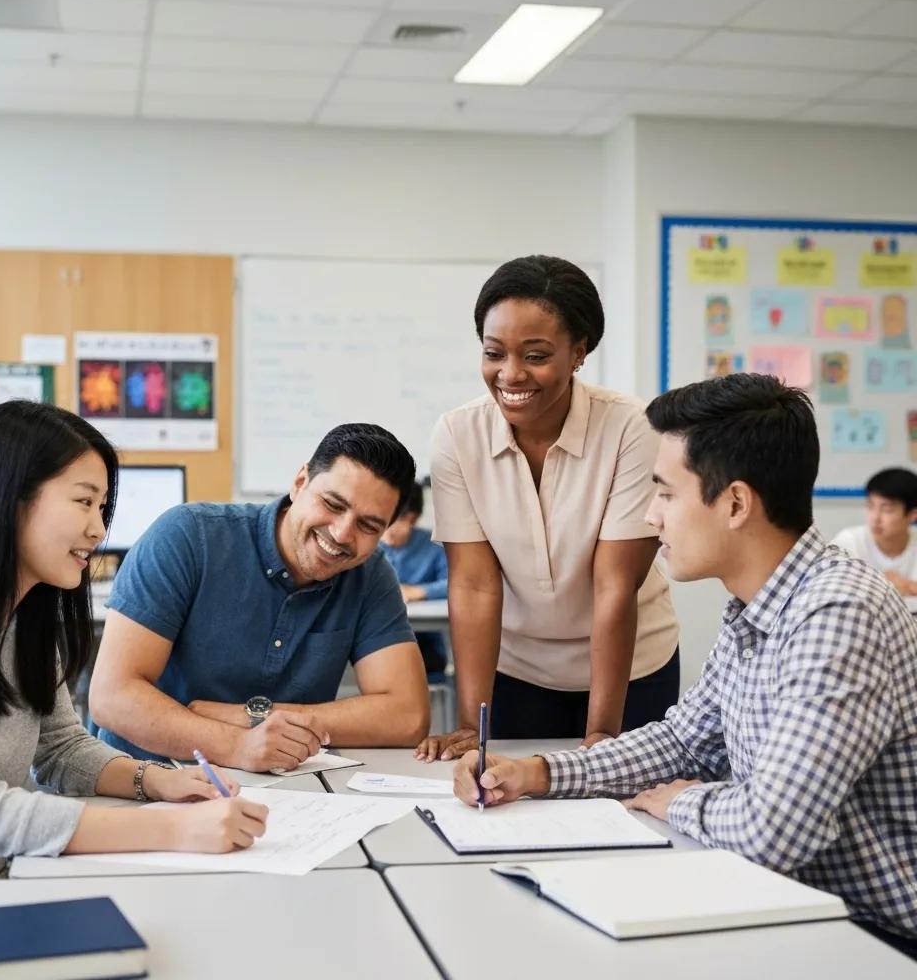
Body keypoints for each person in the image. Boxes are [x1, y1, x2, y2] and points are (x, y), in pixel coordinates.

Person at [453, 374, 917, 955]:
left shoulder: (837, 613)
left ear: (736, 503)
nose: (651, 517)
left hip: (874, 938)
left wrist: (680, 801)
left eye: (666, 494)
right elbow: (683, 743)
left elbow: (774, 829)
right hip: (795, 906)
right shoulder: (757, 608)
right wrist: (537, 774)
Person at [0, 401, 268, 882]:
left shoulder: (23, 620)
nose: (99, 529)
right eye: (84, 502)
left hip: (10, 875)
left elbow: (62, 750)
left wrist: (161, 781)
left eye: (102, 507)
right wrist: (175, 829)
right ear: (11, 499)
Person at [416, 255, 680, 761]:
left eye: (535, 355)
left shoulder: (631, 428)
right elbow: (473, 584)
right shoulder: (457, 435)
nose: (511, 374)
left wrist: (602, 733)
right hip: (518, 670)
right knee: (511, 797)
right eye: (494, 353)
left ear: (578, 352)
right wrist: (471, 723)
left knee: (625, 800)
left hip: (632, 671)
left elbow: (614, 586)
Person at [91, 423, 429, 771]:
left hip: (282, 786)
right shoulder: (189, 536)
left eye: (368, 526)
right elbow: (112, 696)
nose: (342, 534)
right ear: (300, 482)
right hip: (142, 777)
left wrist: (251, 717)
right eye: (332, 504)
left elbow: (407, 716)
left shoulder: (369, 574)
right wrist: (236, 745)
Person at [380, 481, 449, 676]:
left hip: (425, 642)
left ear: (414, 518)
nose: (389, 529)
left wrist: (419, 592)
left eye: (398, 520)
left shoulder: (433, 546)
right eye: (383, 520)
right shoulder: (368, 547)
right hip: (379, 638)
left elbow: (456, 584)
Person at [832, 468, 917, 598]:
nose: (875, 518)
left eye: (887, 509)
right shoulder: (849, 541)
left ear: (912, 514)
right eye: (870, 506)